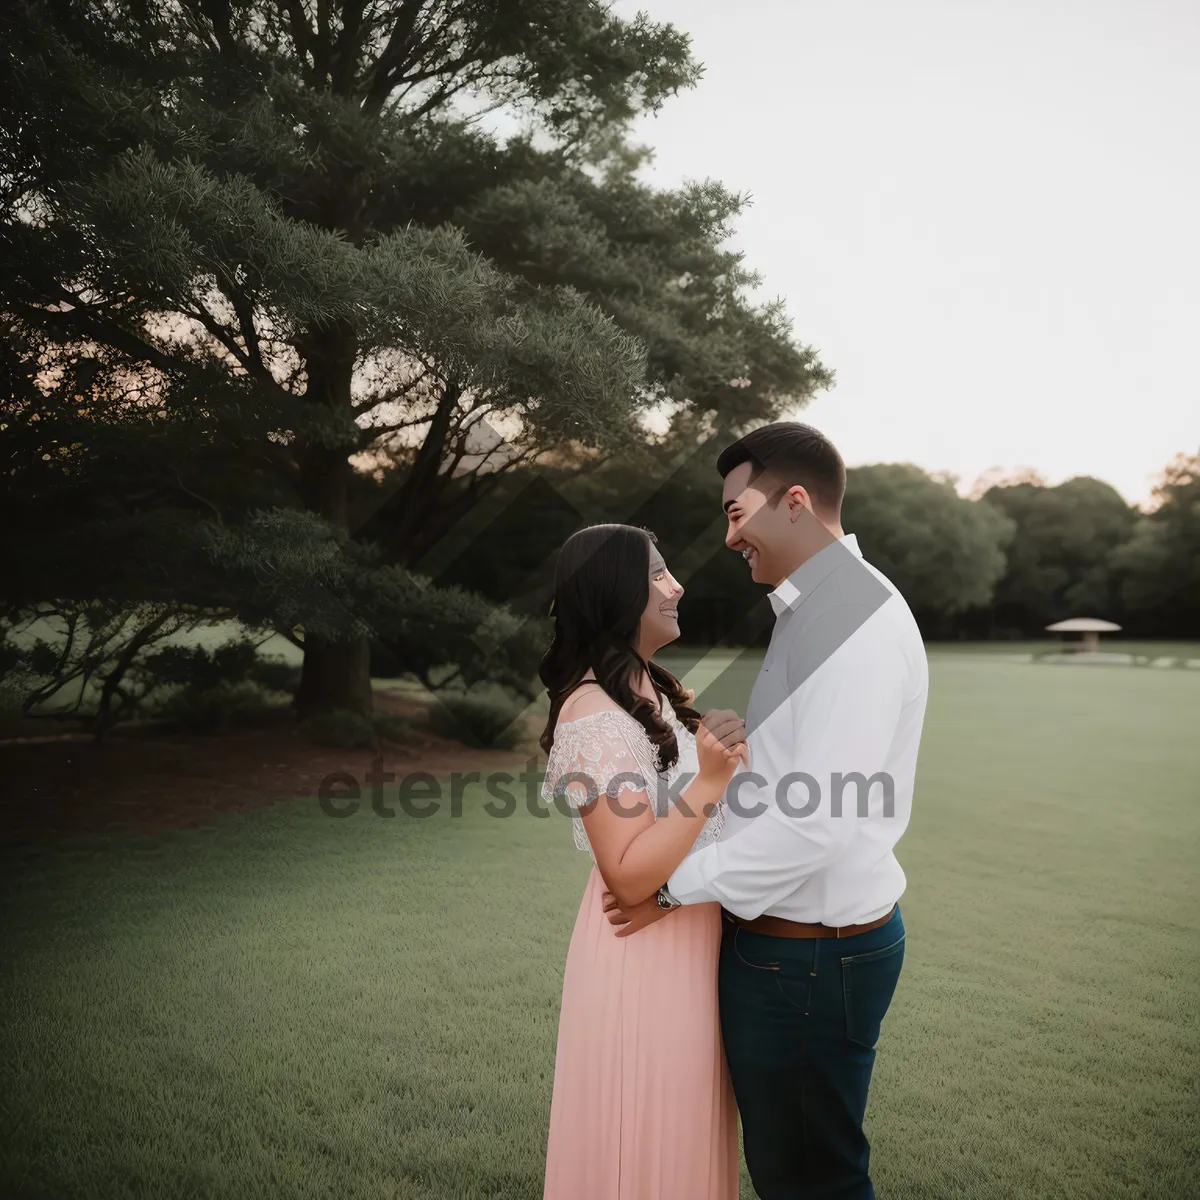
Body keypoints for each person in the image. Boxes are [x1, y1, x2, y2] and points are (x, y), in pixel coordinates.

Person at [605, 423, 929, 1200]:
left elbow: (817, 823)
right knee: (794, 1171)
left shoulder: (853, 625)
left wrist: (672, 887)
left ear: (794, 502)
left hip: (807, 961)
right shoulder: (814, 610)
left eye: (735, 513)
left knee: (811, 1181)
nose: (729, 537)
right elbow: (800, 785)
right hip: (794, 952)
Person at [539, 522, 748, 1200]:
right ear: (613, 590)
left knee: (684, 1140)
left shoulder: (655, 695)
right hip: (642, 954)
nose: (676, 584)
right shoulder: (593, 714)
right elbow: (627, 873)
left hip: (688, 940)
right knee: (645, 1140)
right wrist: (711, 783)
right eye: (658, 573)